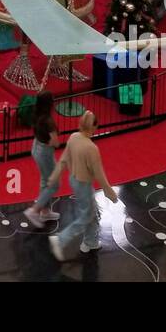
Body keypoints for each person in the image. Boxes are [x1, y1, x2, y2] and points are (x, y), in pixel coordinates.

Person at [47, 110, 118, 261]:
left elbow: (64, 159)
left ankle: (90, 242)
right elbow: (99, 174)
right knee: (86, 216)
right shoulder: (91, 148)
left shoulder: (73, 137)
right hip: (84, 184)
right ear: (93, 127)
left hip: (73, 180)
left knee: (90, 211)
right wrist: (109, 192)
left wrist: (54, 176)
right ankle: (59, 240)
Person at [24, 92, 63, 228]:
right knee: (54, 184)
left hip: (36, 147)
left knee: (45, 180)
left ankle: (45, 211)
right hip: (45, 152)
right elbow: (56, 142)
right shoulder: (48, 121)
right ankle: (35, 210)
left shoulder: (36, 115)